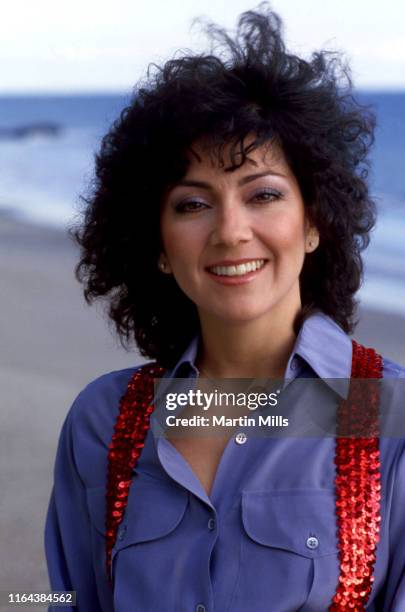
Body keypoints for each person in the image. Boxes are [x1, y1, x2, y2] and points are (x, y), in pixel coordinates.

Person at [45, 5, 405, 611]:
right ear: (157, 245)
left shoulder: (389, 417)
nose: (231, 231)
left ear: (315, 222)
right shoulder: (101, 423)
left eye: (263, 194)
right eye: (192, 204)